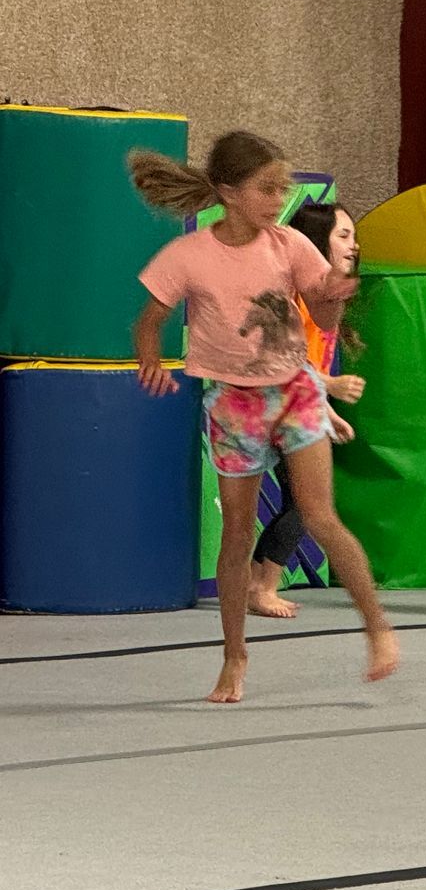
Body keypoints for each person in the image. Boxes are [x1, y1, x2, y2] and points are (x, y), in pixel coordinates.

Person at [129, 131, 399, 702]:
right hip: (234, 403)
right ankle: (234, 657)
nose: (279, 201)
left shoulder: (290, 246)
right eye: (267, 189)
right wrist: (151, 362)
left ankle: (377, 627)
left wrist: (333, 292)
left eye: (282, 189)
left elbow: (322, 321)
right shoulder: (190, 254)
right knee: (235, 533)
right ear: (228, 192)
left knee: (321, 516)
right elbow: (150, 319)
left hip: (295, 390)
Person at [249, 200, 368, 619]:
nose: (353, 245)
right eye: (343, 236)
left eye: (353, 236)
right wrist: (331, 386)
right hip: (273, 403)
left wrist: (328, 412)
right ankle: (261, 586)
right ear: (316, 241)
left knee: (302, 503)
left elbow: (312, 363)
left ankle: (257, 582)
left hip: (298, 405)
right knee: (305, 504)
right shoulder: (293, 294)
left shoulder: (325, 295)